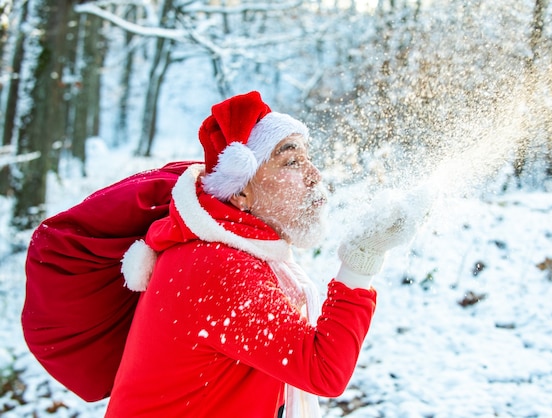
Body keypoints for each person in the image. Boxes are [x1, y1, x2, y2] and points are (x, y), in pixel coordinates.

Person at [104, 91, 430, 418]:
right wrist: (362, 257)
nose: (314, 174)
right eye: (291, 161)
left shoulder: (234, 250)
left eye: (308, 158)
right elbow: (322, 369)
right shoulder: (216, 267)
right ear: (242, 191)